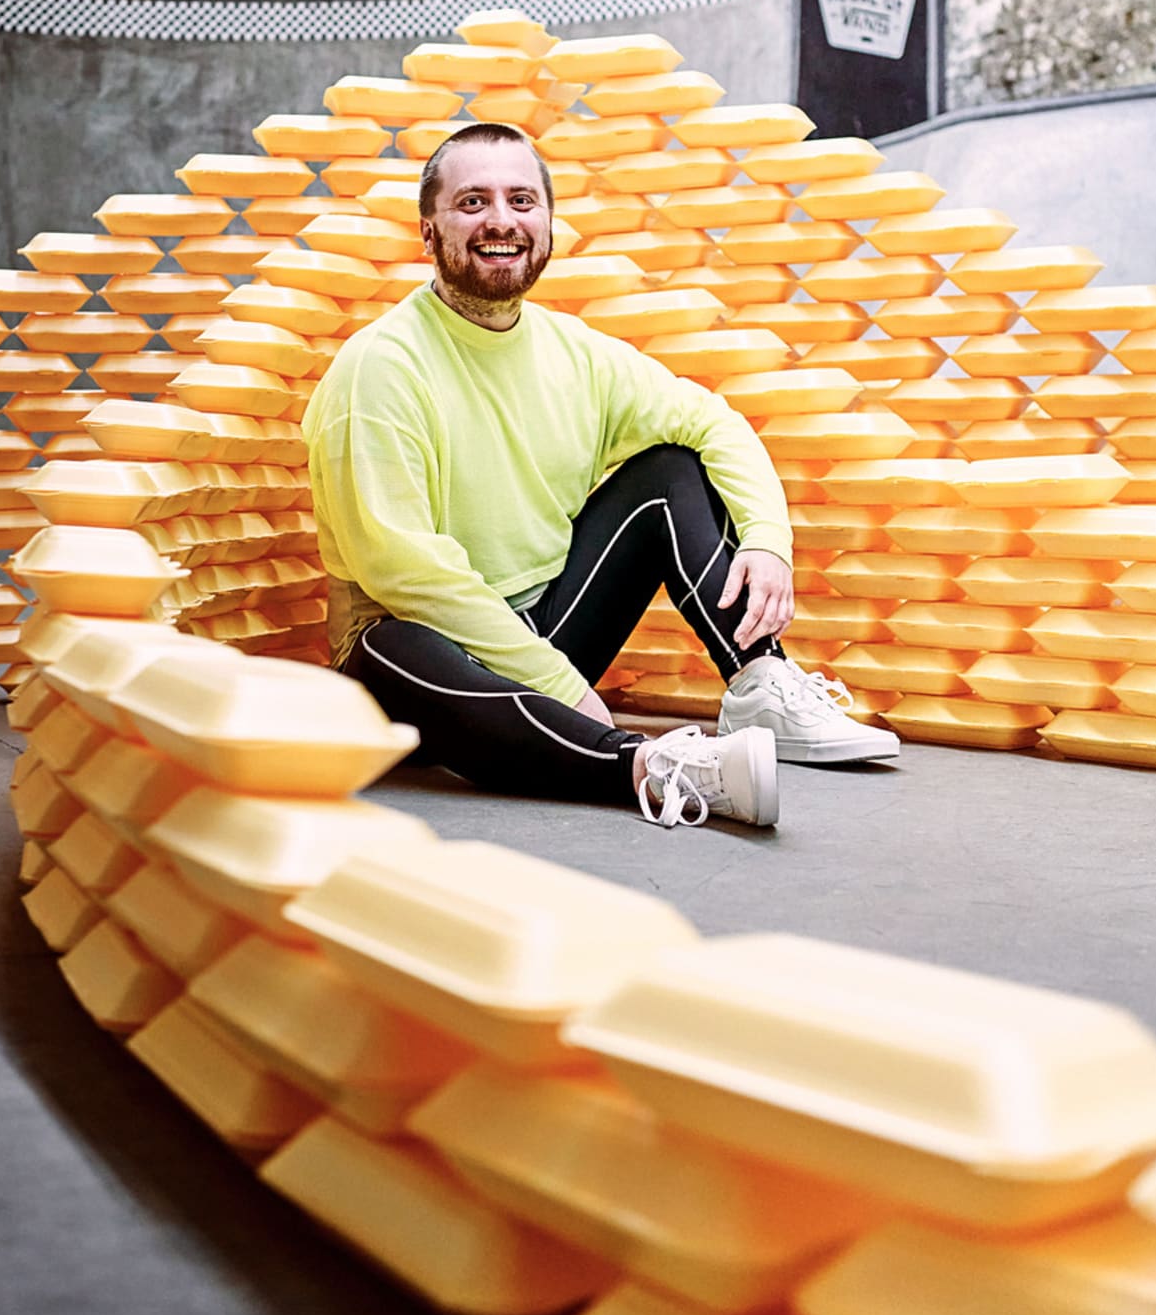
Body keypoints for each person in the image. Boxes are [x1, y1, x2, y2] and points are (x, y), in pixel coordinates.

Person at [303, 122, 899, 828]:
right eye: (472, 203)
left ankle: (758, 681)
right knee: (385, 642)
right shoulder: (381, 367)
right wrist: (559, 685)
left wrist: (768, 541)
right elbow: (403, 569)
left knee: (671, 470)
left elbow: (716, 423)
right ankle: (652, 767)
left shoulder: (576, 353)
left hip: (547, 622)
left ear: (550, 224)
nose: (501, 220)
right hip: (427, 666)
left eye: (522, 200)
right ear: (428, 230)